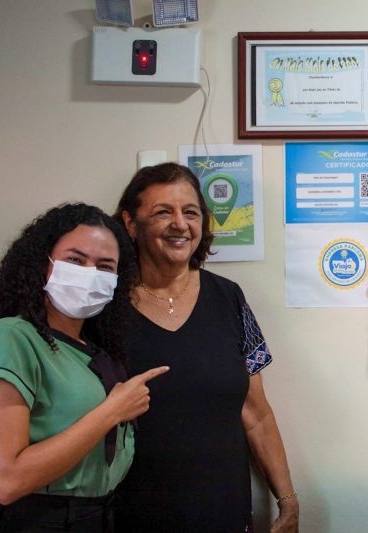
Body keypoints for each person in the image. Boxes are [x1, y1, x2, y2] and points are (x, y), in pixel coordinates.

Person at [112, 163, 298, 532]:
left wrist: (288, 500)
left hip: (224, 513)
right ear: (131, 223)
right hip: (130, 516)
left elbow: (256, 413)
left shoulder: (228, 297)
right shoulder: (106, 305)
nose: (180, 224)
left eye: (191, 212)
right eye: (163, 212)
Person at [0, 203, 169, 531]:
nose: (90, 273)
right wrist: (112, 411)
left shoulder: (95, 351)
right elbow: (8, 481)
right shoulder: (12, 336)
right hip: (41, 522)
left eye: (105, 266)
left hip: (100, 516)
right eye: (75, 260)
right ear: (44, 263)